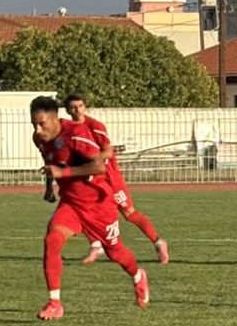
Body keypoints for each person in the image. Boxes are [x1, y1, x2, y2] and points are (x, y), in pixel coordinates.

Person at [30, 96, 149, 320]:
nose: (37, 130)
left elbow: (99, 166)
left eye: (42, 124)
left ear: (55, 119)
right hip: (71, 204)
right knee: (52, 240)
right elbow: (51, 163)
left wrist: (64, 173)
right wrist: (49, 187)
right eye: (34, 124)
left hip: (98, 204)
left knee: (116, 253)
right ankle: (55, 303)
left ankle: (138, 275)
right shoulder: (40, 139)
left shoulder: (75, 134)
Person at [64, 93, 170, 265]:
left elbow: (108, 151)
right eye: (73, 108)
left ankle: (158, 242)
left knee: (128, 213)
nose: (77, 110)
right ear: (68, 110)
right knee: (83, 210)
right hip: (90, 179)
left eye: (80, 106)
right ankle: (96, 245)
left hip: (109, 177)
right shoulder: (67, 130)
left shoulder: (95, 126)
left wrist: (92, 160)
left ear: (85, 106)